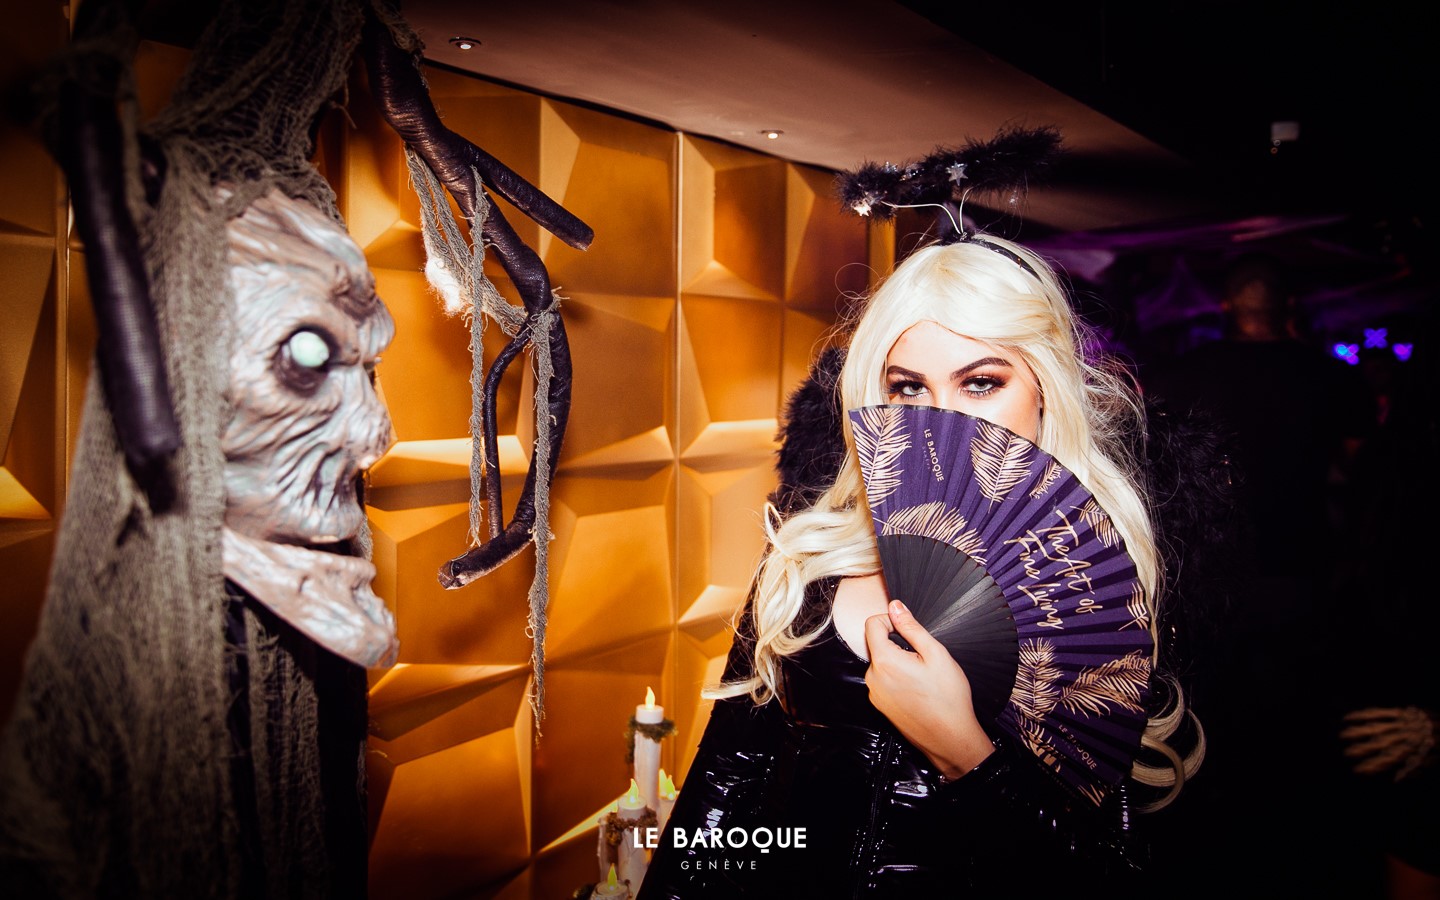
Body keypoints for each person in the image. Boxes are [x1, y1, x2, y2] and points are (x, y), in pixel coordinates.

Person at [639, 236, 1201, 899]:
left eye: (981, 382)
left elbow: (1104, 875)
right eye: (908, 387)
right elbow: (725, 785)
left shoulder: (1106, 593)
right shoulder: (809, 553)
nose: (941, 417)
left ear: (1045, 390)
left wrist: (965, 753)